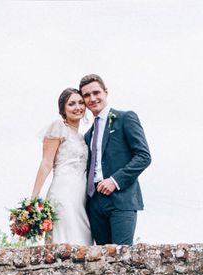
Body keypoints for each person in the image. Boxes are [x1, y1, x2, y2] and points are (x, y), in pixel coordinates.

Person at [80, 73, 151, 245]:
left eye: (96, 92)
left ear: (105, 92)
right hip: (94, 203)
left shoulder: (125, 118)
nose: (93, 98)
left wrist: (115, 180)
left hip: (121, 199)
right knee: (101, 260)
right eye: (87, 95)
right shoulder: (88, 135)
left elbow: (144, 156)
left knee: (121, 258)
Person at [31, 88, 92, 245]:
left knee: (82, 239)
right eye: (71, 104)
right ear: (63, 109)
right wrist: (34, 198)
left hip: (81, 195)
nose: (77, 107)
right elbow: (46, 163)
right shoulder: (58, 127)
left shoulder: (82, 137)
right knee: (65, 238)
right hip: (63, 191)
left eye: (80, 103)